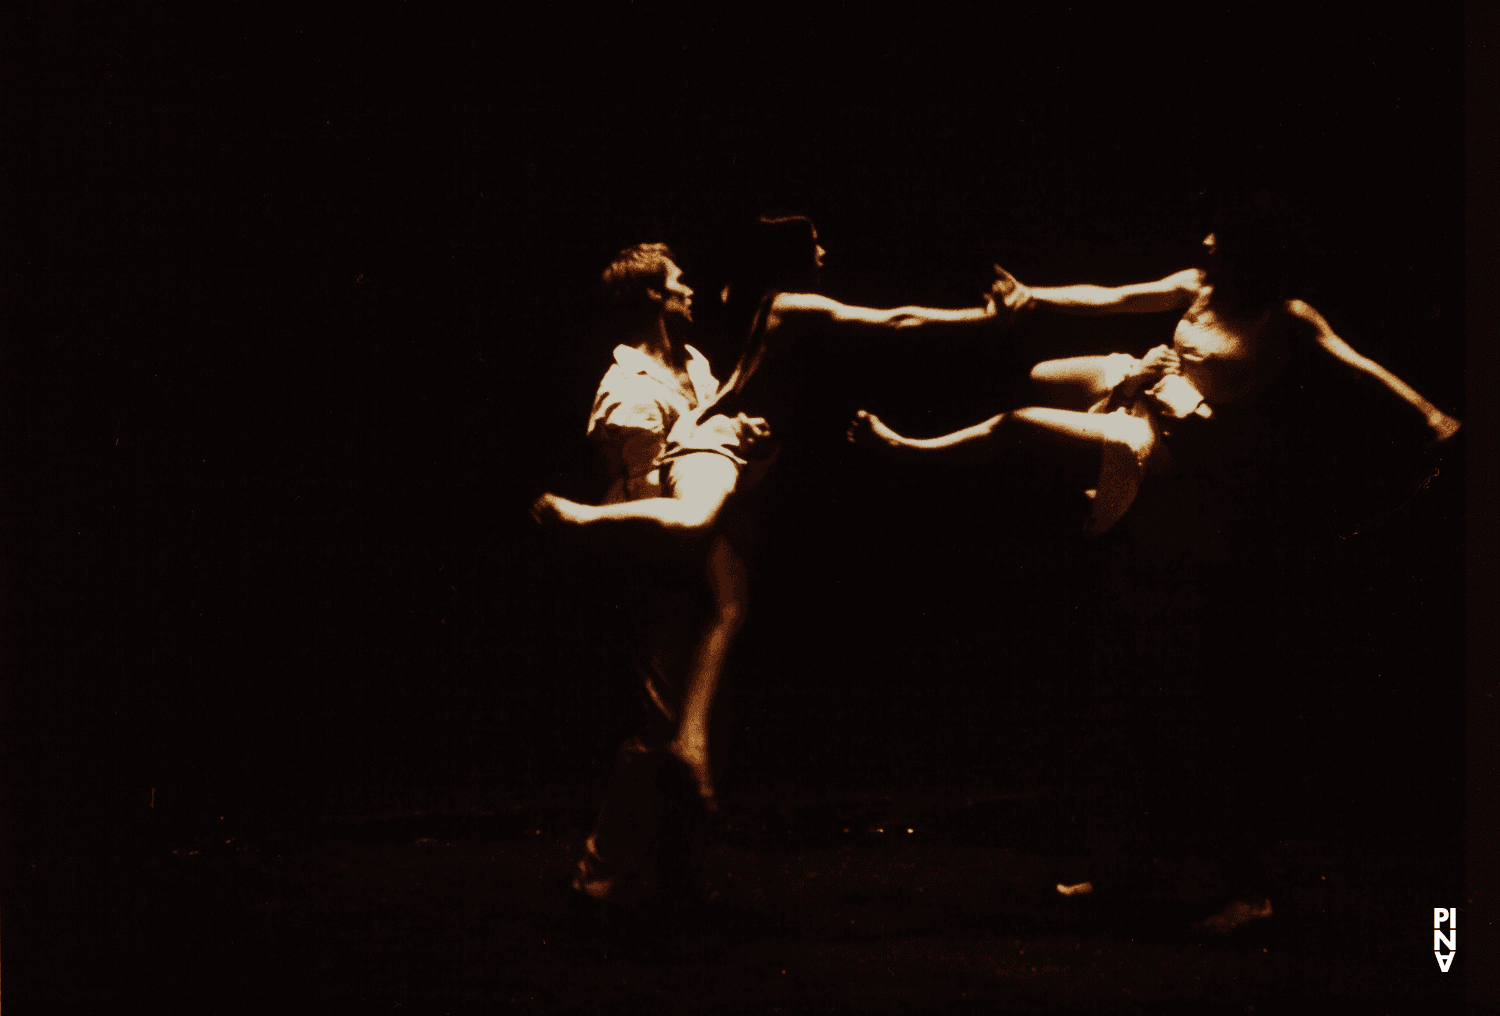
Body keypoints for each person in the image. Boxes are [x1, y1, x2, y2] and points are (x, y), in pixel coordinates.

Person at [848, 227, 1461, 537]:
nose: (1206, 241)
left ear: (1251, 256)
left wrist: (1430, 416)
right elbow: (1112, 298)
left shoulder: (1287, 318)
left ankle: (908, 451)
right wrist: (1033, 298)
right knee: (1041, 375)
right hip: (1142, 380)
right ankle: (1072, 470)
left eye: (1220, 238)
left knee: (1017, 425)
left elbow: (1360, 367)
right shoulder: (1199, 283)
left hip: (1182, 433)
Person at [530, 242, 766, 910]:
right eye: (678, 282)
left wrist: (738, 431)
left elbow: (708, 438)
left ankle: (679, 871)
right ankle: (597, 872)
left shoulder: (693, 363)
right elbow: (643, 488)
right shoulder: (627, 388)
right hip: (654, 555)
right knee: (661, 716)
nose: (690, 289)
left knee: (698, 711)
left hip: (705, 540)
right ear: (652, 299)